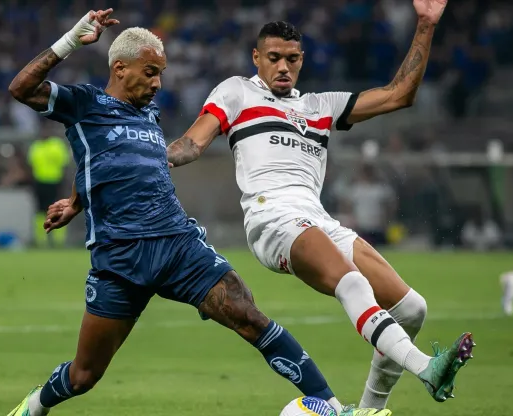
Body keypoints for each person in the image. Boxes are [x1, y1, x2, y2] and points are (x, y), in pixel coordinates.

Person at [5, 9, 389, 416]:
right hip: (120, 258)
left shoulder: (148, 114)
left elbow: (123, 162)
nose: (158, 83)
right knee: (84, 376)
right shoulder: (84, 103)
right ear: (119, 68)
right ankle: (34, 406)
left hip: (178, 246)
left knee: (250, 316)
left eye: (161, 74)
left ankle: (335, 407)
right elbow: (21, 88)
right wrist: (69, 41)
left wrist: (76, 200)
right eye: (150, 72)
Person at [166, 0, 474, 410]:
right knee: (352, 283)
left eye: (292, 59)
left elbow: (400, 95)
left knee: (412, 309)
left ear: (302, 60)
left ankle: (367, 410)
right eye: (273, 58)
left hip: (318, 219)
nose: (283, 67)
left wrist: (425, 24)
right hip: (271, 217)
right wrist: (153, 154)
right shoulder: (236, 91)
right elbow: (192, 143)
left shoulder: (320, 106)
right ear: (256, 57)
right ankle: (426, 368)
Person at [27, 126, 70, 248]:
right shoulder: (35, 146)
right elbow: (30, 166)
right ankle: (41, 240)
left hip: (56, 182)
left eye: (46, 130)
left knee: (59, 210)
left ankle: (59, 241)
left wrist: (65, 183)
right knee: (40, 211)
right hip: (40, 182)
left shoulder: (57, 145)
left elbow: (64, 165)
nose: (44, 132)